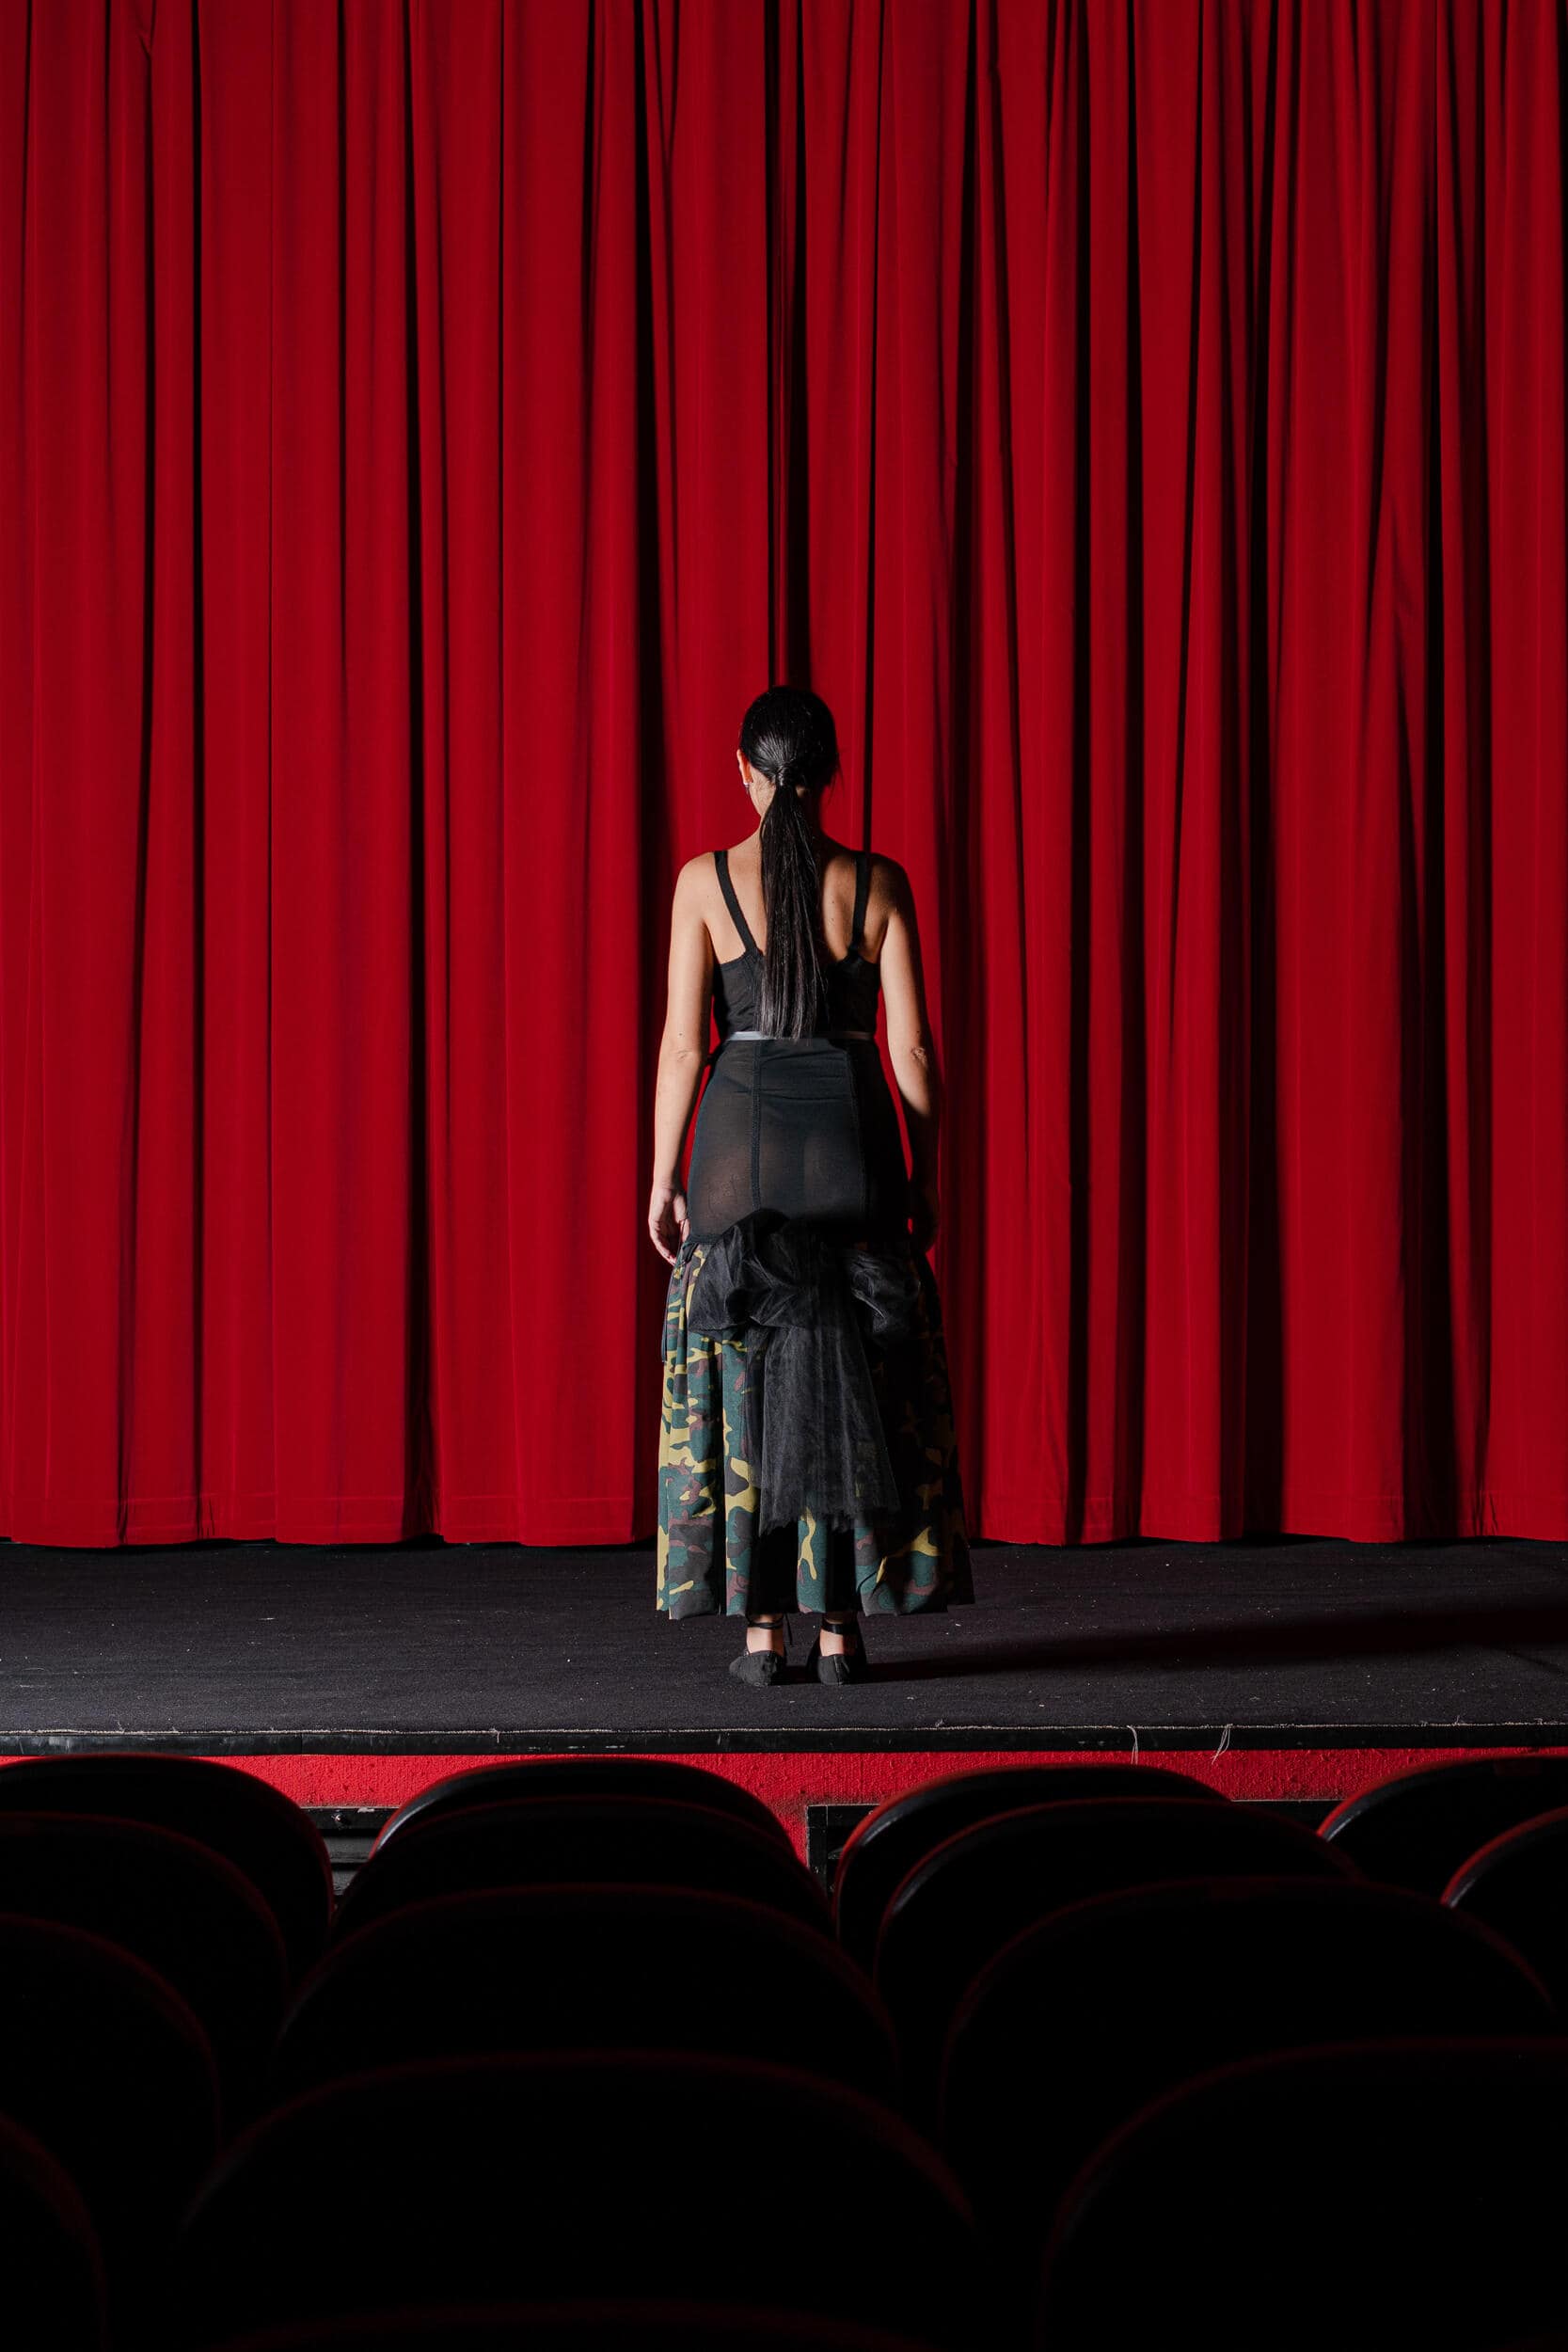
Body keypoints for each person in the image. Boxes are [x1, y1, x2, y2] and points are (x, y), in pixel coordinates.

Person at [649, 683, 974, 1685]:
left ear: (743, 773)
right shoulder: (878, 882)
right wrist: (924, 1172)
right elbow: (910, 1048)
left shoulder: (703, 881)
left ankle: (760, 1631)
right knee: (851, 1375)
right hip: (852, 1149)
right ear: (829, 774)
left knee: (747, 1377)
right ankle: (841, 1627)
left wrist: (662, 1179)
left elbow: (681, 1048)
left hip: (735, 1155)